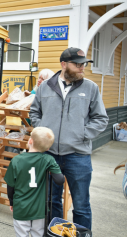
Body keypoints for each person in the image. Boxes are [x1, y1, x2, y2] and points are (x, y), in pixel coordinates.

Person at [30, 47, 109, 230]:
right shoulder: (45, 87)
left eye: (84, 64)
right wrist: (42, 130)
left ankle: (81, 234)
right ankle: (54, 233)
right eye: (77, 64)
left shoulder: (91, 88)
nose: (82, 68)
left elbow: (101, 118)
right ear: (63, 64)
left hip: (78, 156)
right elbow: (34, 112)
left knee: (81, 206)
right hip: (49, 155)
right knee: (51, 201)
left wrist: (82, 134)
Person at [5, 127, 65, 237]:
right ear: (47, 148)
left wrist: (11, 202)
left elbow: (10, 185)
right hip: (39, 210)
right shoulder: (48, 159)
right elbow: (60, 180)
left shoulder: (16, 160)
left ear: (30, 141)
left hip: (21, 208)